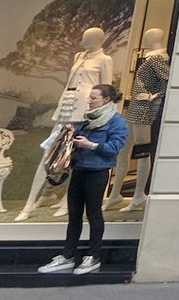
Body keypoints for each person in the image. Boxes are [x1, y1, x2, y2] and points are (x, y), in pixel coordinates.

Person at [37, 83, 129, 276]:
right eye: (90, 97)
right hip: (79, 169)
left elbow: (114, 148)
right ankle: (68, 255)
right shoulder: (85, 120)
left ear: (106, 100)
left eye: (94, 98)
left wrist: (91, 145)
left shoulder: (116, 121)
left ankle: (93, 255)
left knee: (94, 213)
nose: (90, 101)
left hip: (98, 172)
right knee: (74, 214)